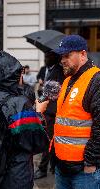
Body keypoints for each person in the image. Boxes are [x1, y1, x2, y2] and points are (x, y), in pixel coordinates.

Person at [36, 35, 100, 189]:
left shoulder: (99, 80)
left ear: (82, 54)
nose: (62, 60)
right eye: (61, 56)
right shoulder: (67, 80)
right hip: (62, 166)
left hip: (86, 171)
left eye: (67, 55)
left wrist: (90, 164)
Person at [0, 51, 49, 189]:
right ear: (12, 76)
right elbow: (37, 143)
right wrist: (38, 113)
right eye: (19, 74)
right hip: (15, 176)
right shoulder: (20, 104)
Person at [34, 51, 65, 179]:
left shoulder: (58, 70)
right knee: (50, 140)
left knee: (47, 140)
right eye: (46, 56)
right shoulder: (48, 69)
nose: (46, 58)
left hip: (52, 111)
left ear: (54, 57)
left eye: (48, 56)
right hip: (48, 110)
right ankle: (53, 165)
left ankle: (43, 168)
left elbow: (54, 92)